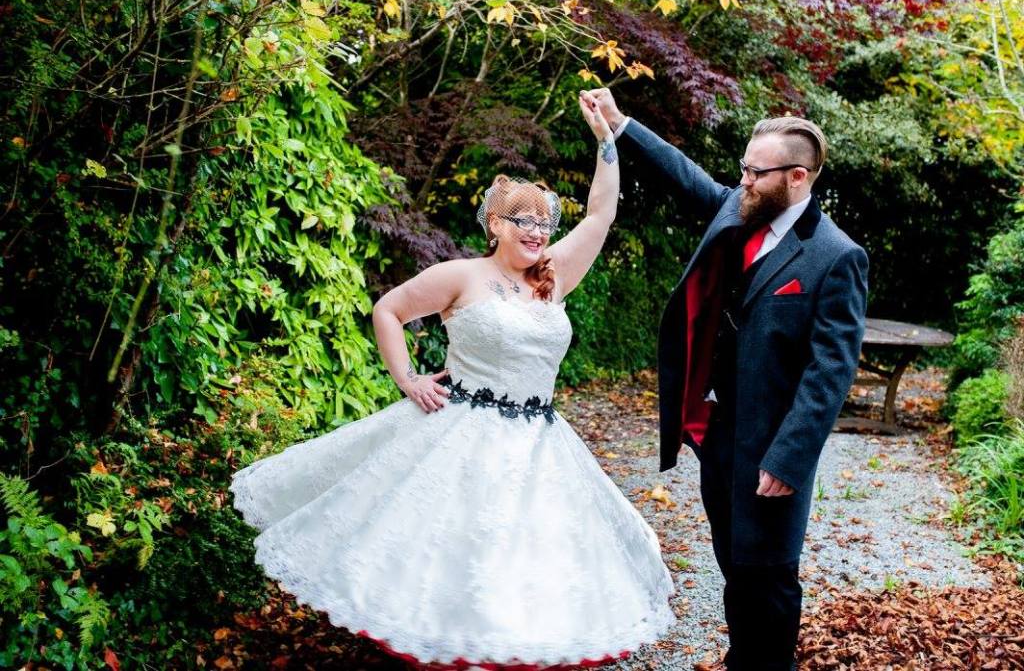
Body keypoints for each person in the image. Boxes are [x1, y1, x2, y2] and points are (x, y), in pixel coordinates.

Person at [228, 92, 675, 670]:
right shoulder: (460, 276)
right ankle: (449, 648)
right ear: (495, 224)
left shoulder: (552, 280)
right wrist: (407, 378)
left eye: (544, 223)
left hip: (541, 442)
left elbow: (600, 216)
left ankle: (511, 645)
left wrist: (607, 144)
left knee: (528, 555)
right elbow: (387, 309)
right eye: (524, 221)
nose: (537, 232)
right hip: (463, 432)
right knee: (454, 551)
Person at [584, 88, 868, 671]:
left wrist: (788, 459)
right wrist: (621, 125)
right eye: (742, 167)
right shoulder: (740, 209)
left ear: (795, 177)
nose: (742, 179)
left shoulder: (836, 256)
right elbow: (687, 178)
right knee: (735, 566)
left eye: (754, 171)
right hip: (716, 435)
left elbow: (830, 371)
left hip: (771, 447)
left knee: (770, 576)